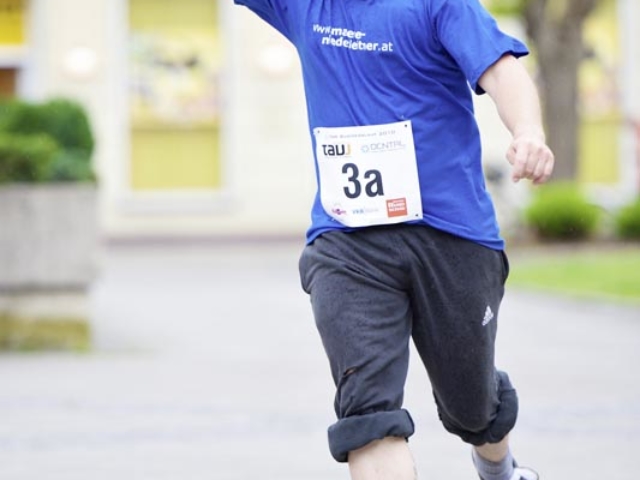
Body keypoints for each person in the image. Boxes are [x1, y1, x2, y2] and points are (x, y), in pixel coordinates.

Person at [233, 1, 554, 479]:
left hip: (452, 235)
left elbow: (501, 70)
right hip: (347, 242)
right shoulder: (306, 6)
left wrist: (528, 131)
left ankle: (500, 470)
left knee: (471, 406)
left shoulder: (440, 4)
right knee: (368, 415)